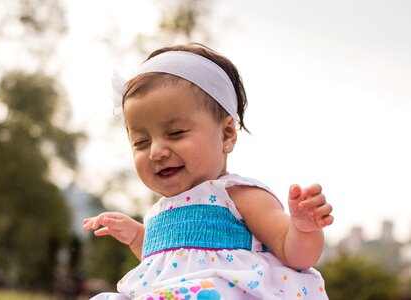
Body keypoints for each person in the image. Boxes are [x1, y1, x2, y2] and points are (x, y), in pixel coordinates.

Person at [83, 43, 334, 300]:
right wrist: (138, 238)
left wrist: (303, 229)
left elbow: (294, 254)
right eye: (141, 142)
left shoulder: (237, 194)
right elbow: (165, 268)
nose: (156, 152)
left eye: (176, 133)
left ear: (226, 134)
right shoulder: (158, 213)